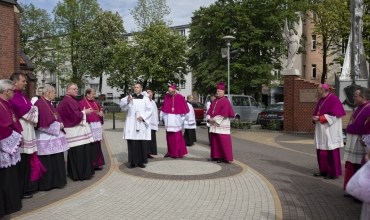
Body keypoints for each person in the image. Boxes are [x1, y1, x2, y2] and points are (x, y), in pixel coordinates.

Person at [9, 72, 45, 199]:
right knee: (21, 163)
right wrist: (34, 109)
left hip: (28, 130)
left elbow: (32, 109)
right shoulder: (13, 97)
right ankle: (20, 190)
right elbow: (30, 110)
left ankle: (26, 187)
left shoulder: (23, 96)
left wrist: (33, 109)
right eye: (23, 81)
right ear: (15, 82)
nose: (25, 83)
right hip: (22, 131)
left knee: (26, 163)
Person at [57, 83, 95, 181]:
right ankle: (80, 174)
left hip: (76, 131)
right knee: (79, 154)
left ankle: (78, 173)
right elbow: (75, 116)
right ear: (68, 90)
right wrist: (85, 112)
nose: (76, 90)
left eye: (77, 89)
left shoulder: (70, 100)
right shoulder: (68, 101)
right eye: (74, 89)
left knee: (78, 153)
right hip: (75, 132)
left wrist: (83, 112)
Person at [34, 85, 69, 190]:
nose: (55, 94)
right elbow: (41, 124)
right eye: (54, 92)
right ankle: (48, 184)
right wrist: (59, 126)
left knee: (56, 161)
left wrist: (59, 124)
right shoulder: (40, 104)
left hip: (52, 138)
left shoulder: (48, 103)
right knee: (48, 162)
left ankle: (57, 182)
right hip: (45, 138)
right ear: (48, 93)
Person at [312, 84, 346, 179]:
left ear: (323, 90)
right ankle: (323, 170)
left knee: (331, 151)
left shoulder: (334, 99)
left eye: (318, 90)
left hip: (330, 130)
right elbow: (317, 111)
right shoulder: (320, 100)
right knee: (321, 150)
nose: (317, 92)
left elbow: (335, 116)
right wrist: (315, 117)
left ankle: (332, 173)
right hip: (321, 129)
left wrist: (320, 118)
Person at [0, 79, 23, 217]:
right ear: (7, 91)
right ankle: (8, 205)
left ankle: (12, 203)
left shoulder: (5, 104)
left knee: (11, 176)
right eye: (13, 91)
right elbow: (3, 128)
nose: (15, 93)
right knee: (5, 178)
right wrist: (17, 137)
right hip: (4, 148)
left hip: (10, 147)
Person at [343, 87, 370, 198]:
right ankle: (354, 189)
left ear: (363, 97)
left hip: (361, 141)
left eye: (355, 96)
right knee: (354, 165)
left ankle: (360, 193)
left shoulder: (368, 108)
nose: (353, 98)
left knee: (360, 165)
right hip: (354, 140)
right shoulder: (360, 107)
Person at [120, 83, 152, 169]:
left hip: (141, 123)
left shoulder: (146, 99)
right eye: (134, 87)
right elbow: (122, 107)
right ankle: (132, 162)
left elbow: (150, 110)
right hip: (132, 123)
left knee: (142, 143)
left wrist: (143, 116)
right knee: (132, 144)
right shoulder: (129, 97)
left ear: (141, 89)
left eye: (137, 87)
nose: (136, 89)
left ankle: (141, 162)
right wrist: (128, 101)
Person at [206, 82, 235, 163]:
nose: (217, 92)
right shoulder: (215, 101)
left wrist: (214, 119)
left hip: (221, 124)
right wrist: (209, 118)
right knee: (214, 141)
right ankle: (215, 156)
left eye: (219, 91)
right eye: (217, 91)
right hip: (214, 124)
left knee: (222, 141)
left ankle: (222, 157)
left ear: (223, 92)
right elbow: (209, 111)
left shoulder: (225, 101)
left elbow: (224, 113)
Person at [79, 88, 105, 170]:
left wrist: (101, 114)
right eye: (93, 94)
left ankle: (97, 163)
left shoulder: (95, 102)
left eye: (95, 93)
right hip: (89, 126)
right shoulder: (81, 103)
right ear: (87, 94)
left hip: (96, 126)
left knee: (97, 146)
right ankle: (91, 164)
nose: (95, 95)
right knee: (90, 146)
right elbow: (80, 115)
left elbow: (100, 111)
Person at [160, 85, 189, 158]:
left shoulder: (180, 97)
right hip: (168, 120)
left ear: (175, 91)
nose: (169, 93)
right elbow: (163, 108)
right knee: (169, 138)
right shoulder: (167, 96)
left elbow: (185, 110)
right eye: (168, 92)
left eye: (171, 92)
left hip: (177, 120)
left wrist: (182, 119)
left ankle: (178, 153)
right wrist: (162, 116)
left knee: (177, 138)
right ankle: (169, 152)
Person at [146, 90, 158, 158]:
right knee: (146, 140)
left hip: (152, 123)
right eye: (149, 95)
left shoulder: (153, 102)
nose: (150, 96)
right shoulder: (144, 101)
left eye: (151, 95)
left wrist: (156, 121)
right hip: (147, 123)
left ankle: (149, 152)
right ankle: (145, 152)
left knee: (152, 139)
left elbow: (155, 112)